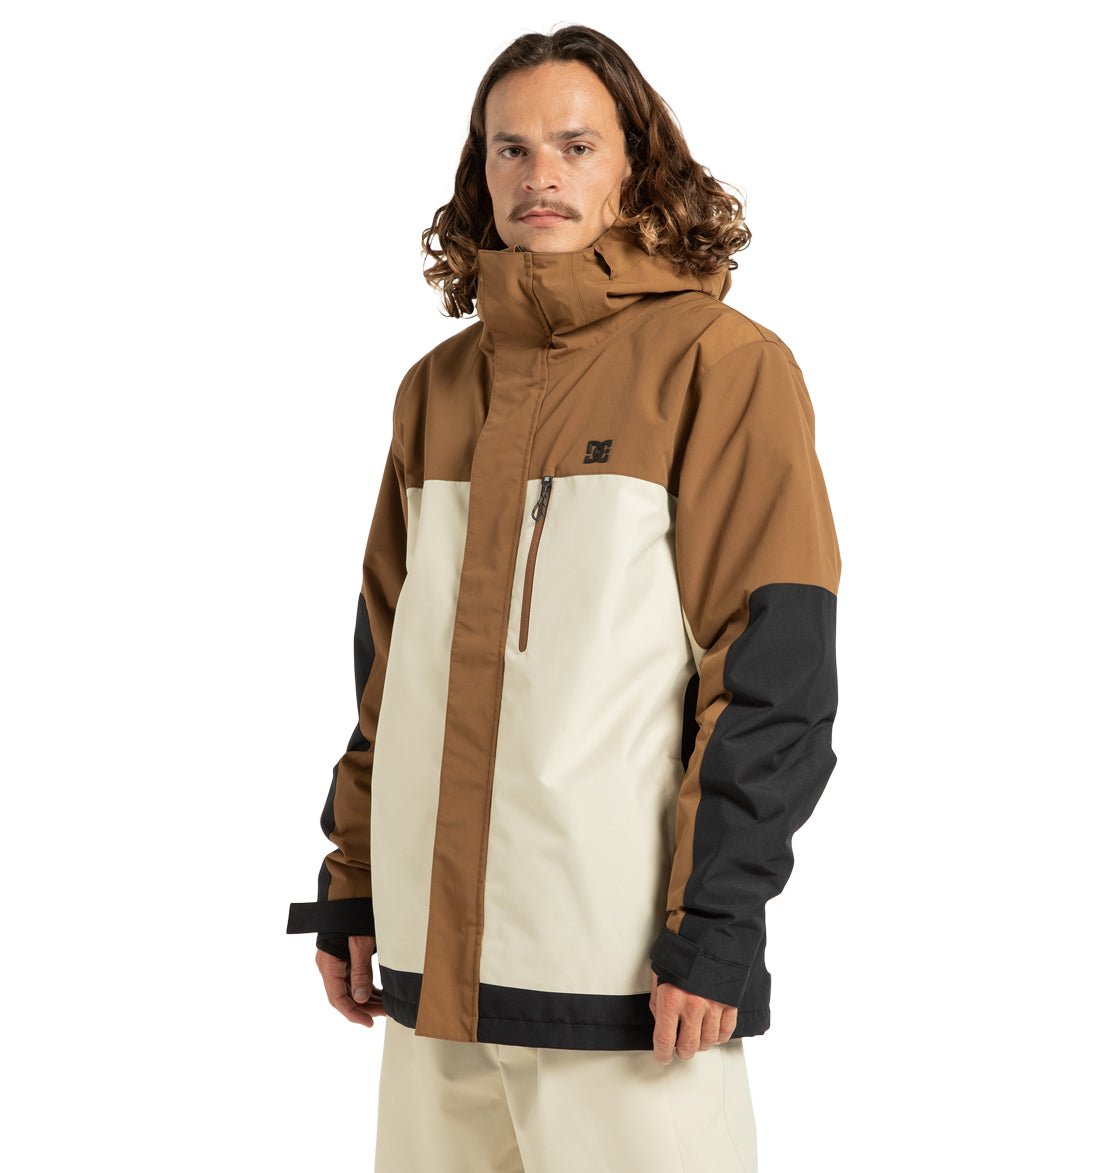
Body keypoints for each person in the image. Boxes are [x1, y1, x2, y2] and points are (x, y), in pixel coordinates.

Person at [287, 23, 840, 1172]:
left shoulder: (721, 367)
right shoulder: (435, 391)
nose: (539, 174)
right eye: (511, 148)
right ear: (479, 172)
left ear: (636, 166)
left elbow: (772, 674)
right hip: (432, 988)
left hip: (626, 989)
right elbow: (389, 669)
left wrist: (716, 930)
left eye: (575, 146)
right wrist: (354, 883)